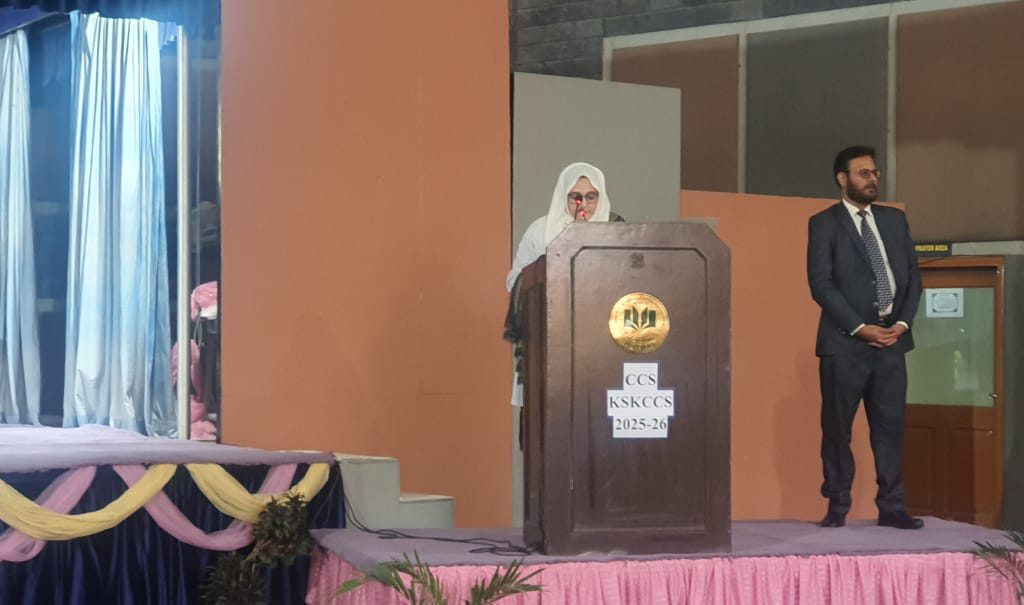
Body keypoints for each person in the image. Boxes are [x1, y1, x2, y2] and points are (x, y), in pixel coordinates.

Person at [807, 145, 923, 530]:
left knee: (890, 428)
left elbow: (913, 278)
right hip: (845, 344)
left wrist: (902, 324)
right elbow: (821, 284)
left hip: (892, 341)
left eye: (875, 173)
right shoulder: (824, 223)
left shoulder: (894, 220)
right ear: (842, 179)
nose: (873, 179)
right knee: (837, 429)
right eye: (864, 173)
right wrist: (859, 327)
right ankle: (837, 504)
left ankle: (892, 507)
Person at [504, 162, 623, 405]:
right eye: (575, 197)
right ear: (563, 197)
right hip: (549, 333)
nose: (584, 204)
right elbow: (514, 279)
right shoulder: (541, 230)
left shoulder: (616, 229)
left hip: (601, 335)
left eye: (591, 197)